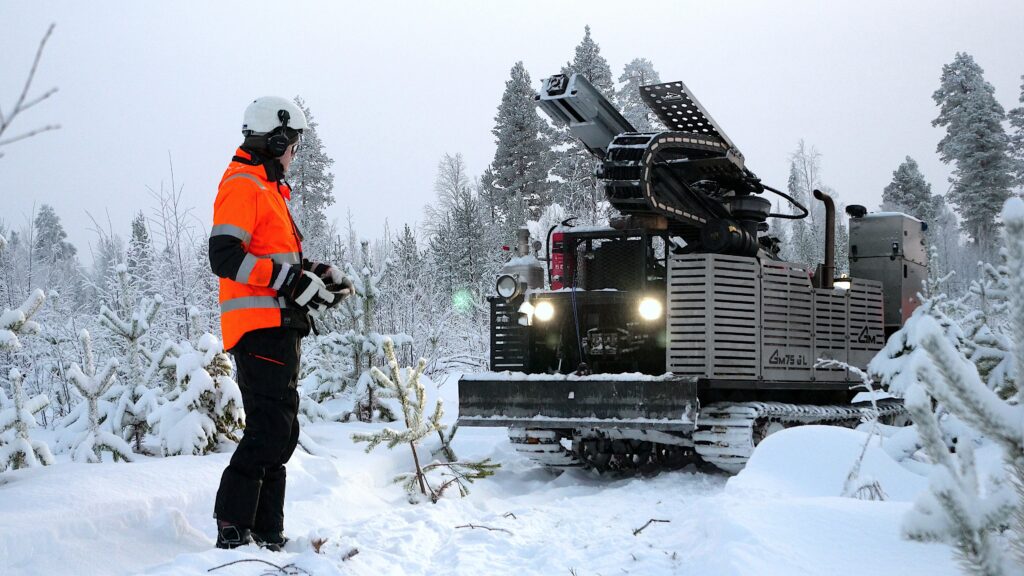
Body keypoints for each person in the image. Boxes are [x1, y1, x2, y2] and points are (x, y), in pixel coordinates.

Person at [208, 96, 352, 551]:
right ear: (275, 137)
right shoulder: (244, 185)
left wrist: (316, 273)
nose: (295, 153)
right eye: (293, 144)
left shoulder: (268, 189)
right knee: (269, 430)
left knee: (283, 431)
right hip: (259, 326)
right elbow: (225, 256)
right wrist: (291, 280)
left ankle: (267, 532)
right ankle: (232, 527)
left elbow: (274, 258)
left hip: (280, 324)